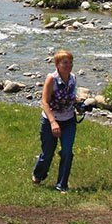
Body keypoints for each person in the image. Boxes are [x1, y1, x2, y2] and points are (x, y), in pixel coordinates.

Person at [32, 49, 78, 193]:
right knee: (48, 153)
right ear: (57, 64)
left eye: (70, 62)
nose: (68, 65)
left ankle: (62, 184)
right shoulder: (51, 79)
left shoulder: (73, 78)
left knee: (67, 152)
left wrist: (80, 106)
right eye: (65, 63)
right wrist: (53, 122)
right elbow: (45, 102)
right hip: (50, 121)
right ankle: (38, 174)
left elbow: (72, 98)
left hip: (69, 120)